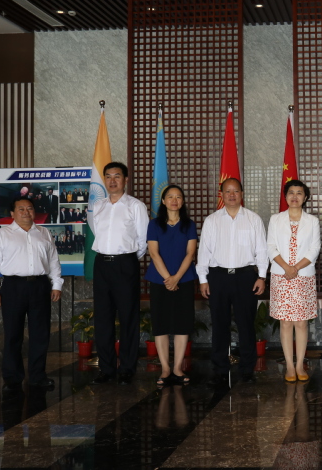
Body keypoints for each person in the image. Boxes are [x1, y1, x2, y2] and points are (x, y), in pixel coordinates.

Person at [0, 196, 62, 391]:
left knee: (40, 334)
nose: (26, 212)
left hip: (40, 286)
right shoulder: (2, 234)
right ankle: (12, 378)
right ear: (12, 213)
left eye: (30, 208)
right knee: (13, 334)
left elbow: (53, 261)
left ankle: (38, 377)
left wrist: (56, 285)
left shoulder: (44, 233)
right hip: (13, 287)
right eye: (21, 209)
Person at [197, 178, 267, 385]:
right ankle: (220, 368)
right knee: (219, 324)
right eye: (227, 191)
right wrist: (203, 279)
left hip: (245, 277)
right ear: (222, 195)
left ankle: (247, 369)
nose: (232, 195)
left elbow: (262, 250)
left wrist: (262, 276)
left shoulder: (253, 219)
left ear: (242, 194)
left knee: (246, 324)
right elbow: (204, 252)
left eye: (235, 191)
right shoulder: (212, 220)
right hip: (218, 277)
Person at [89, 162, 149, 386]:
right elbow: (97, 233)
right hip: (101, 264)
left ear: (125, 179)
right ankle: (106, 369)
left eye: (117, 176)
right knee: (103, 318)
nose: (112, 180)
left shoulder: (136, 206)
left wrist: (127, 259)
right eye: (108, 176)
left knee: (128, 318)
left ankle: (127, 368)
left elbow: (142, 241)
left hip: (125, 264)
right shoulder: (98, 206)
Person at [267, 180, 321, 383]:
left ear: (305, 197)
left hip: (303, 276)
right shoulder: (275, 219)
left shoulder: (312, 221)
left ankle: (300, 365)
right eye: (291, 192)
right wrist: (286, 268)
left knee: (301, 322)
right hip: (281, 276)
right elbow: (271, 247)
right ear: (285, 196)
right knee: (286, 322)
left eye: (299, 193)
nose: (295, 196)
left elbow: (314, 249)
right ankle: (290, 365)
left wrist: (295, 268)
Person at [146, 184, 197, 386]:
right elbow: (153, 253)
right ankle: (165, 369)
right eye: (170, 196)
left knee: (182, 324)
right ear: (163, 201)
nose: (174, 200)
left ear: (182, 202)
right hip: (159, 280)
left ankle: (177, 368)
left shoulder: (189, 225)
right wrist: (169, 278)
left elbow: (190, 253)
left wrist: (177, 278)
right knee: (161, 325)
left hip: (184, 280)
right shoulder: (154, 224)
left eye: (178, 197)